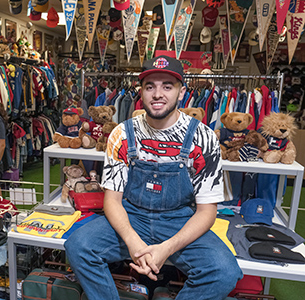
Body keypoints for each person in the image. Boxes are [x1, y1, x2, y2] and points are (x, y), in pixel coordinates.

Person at [65, 55, 243, 300]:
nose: (158, 94)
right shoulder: (122, 134)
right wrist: (134, 243)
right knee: (78, 247)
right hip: (132, 216)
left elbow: (207, 212)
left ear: (181, 93)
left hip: (180, 219)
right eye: (150, 86)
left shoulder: (204, 138)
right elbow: (112, 201)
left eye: (167, 86)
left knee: (224, 272)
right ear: (141, 92)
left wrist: (166, 249)